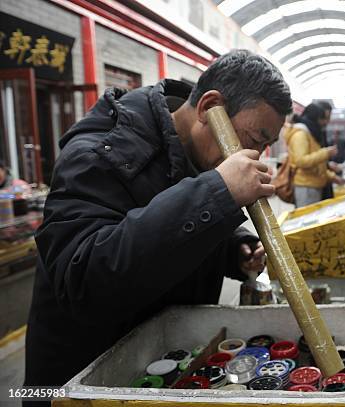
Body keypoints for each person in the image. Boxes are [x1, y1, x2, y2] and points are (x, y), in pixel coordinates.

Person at [24, 50, 292, 398]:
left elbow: (168, 231)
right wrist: (216, 194)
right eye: (255, 139)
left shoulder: (195, 153)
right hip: (81, 383)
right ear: (210, 107)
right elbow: (83, 276)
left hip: (154, 368)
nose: (256, 154)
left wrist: (233, 247)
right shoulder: (100, 152)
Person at [285, 103, 339, 207]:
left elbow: (317, 165)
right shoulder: (300, 134)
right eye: (322, 119)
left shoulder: (310, 133)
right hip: (305, 186)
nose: (324, 122)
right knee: (306, 219)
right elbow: (301, 161)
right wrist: (325, 153)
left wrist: (331, 175)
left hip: (313, 184)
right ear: (314, 118)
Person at [317, 101, 336, 200]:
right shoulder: (307, 132)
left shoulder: (321, 130)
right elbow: (302, 160)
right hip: (314, 183)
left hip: (323, 179)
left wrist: (328, 164)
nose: (327, 121)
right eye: (325, 118)